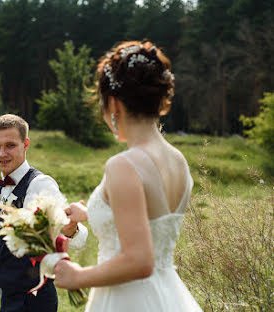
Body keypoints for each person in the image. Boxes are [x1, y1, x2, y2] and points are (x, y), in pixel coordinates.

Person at [53, 41, 202, 311]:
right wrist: (89, 214)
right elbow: (150, 218)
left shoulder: (124, 165)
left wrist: (78, 276)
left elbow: (139, 260)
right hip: (168, 295)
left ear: (113, 102)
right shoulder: (178, 161)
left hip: (128, 300)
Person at [0, 114, 88, 312]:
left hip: (34, 301)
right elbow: (3, 252)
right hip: (9, 298)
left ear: (25, 144)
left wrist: (71, 229)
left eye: (10, 145)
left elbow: (77, 237)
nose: (2, 153)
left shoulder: (41, 184)